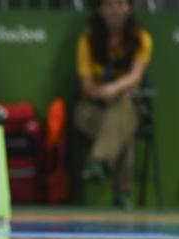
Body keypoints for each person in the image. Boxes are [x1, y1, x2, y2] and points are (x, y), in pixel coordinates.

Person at [74, 0, 151, 209]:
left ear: (128, 7)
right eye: (108, 5)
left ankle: (99, 160)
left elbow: (135, 76)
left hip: (128, 104)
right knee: (122, 127)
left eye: (119, 4)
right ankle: (123, 195)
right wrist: (103, 93)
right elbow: (87, 85)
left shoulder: (141, 39)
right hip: (91, 109)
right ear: (100, 10)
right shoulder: (88, 40)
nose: (114, 10)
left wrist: (114, 90)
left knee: (123, 112)